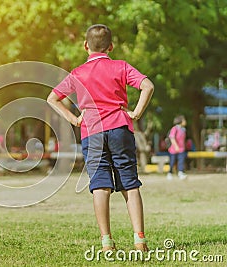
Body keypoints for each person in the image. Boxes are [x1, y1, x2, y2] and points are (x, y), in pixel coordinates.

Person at [47, 24, 154, 251]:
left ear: (86, 46)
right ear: (111, 46)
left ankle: (106, 242)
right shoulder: (121, 66)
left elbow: (52, 99)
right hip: (120, 128)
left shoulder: (77, 73)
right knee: (130, 183)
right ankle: (139, 240)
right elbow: (148, 86)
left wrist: (74, 119)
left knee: (100, 185)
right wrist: (135, 113)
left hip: (92, 132)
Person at [166, 115, 187, 180]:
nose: (185, 121)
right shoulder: (174, 128)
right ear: (180, 121)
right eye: (184, 120)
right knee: (172, 161)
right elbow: (172, 137)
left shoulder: (183, 129)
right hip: (173, 149)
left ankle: (180, 172)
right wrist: (176, 146)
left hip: (181, 149)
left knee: (181, 161)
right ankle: (170, 173)